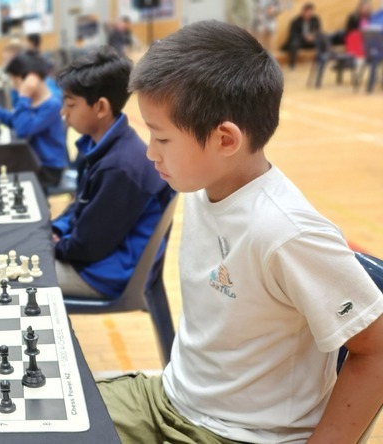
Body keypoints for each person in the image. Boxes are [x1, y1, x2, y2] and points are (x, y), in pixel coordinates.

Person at [100, 21, 383, 443]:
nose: (150, 152)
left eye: (161, 138)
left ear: (225, 140)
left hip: (241, 434)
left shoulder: (287, 233)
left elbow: (377, 349)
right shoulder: (204, 184)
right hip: (169, 400)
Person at [50, 47, 174, 299]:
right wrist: (58, 229)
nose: (63, 112)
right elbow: (81, 205)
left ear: (100, 107)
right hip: (97, 257)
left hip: (106, 273)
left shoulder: (119, 167)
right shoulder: (99, 145)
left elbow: (88, 246)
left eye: (71, 104)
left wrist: (55, 246)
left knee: (15, 279)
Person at [0, 53, 68, 190]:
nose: (13, 86)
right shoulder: (34, 101)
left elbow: (22, 130)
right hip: (33, 162)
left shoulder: (52, 105)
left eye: (15, 80)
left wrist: (23, 95)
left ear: (31, 78)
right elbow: (16, 121)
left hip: (49, 170)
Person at [281, 2, 321, 69]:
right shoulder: (296, 21)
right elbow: (293, 34)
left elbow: (318, 31)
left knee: (321, 41)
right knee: (294, 44)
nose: (309, 14)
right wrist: (304, 37)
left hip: (311, 41)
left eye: (311, 12)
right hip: (300, 41)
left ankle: (320, 62)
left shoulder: (315, 20)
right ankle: (292, 65)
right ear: (303, 12)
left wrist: (313, 36)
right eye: (307, 12)